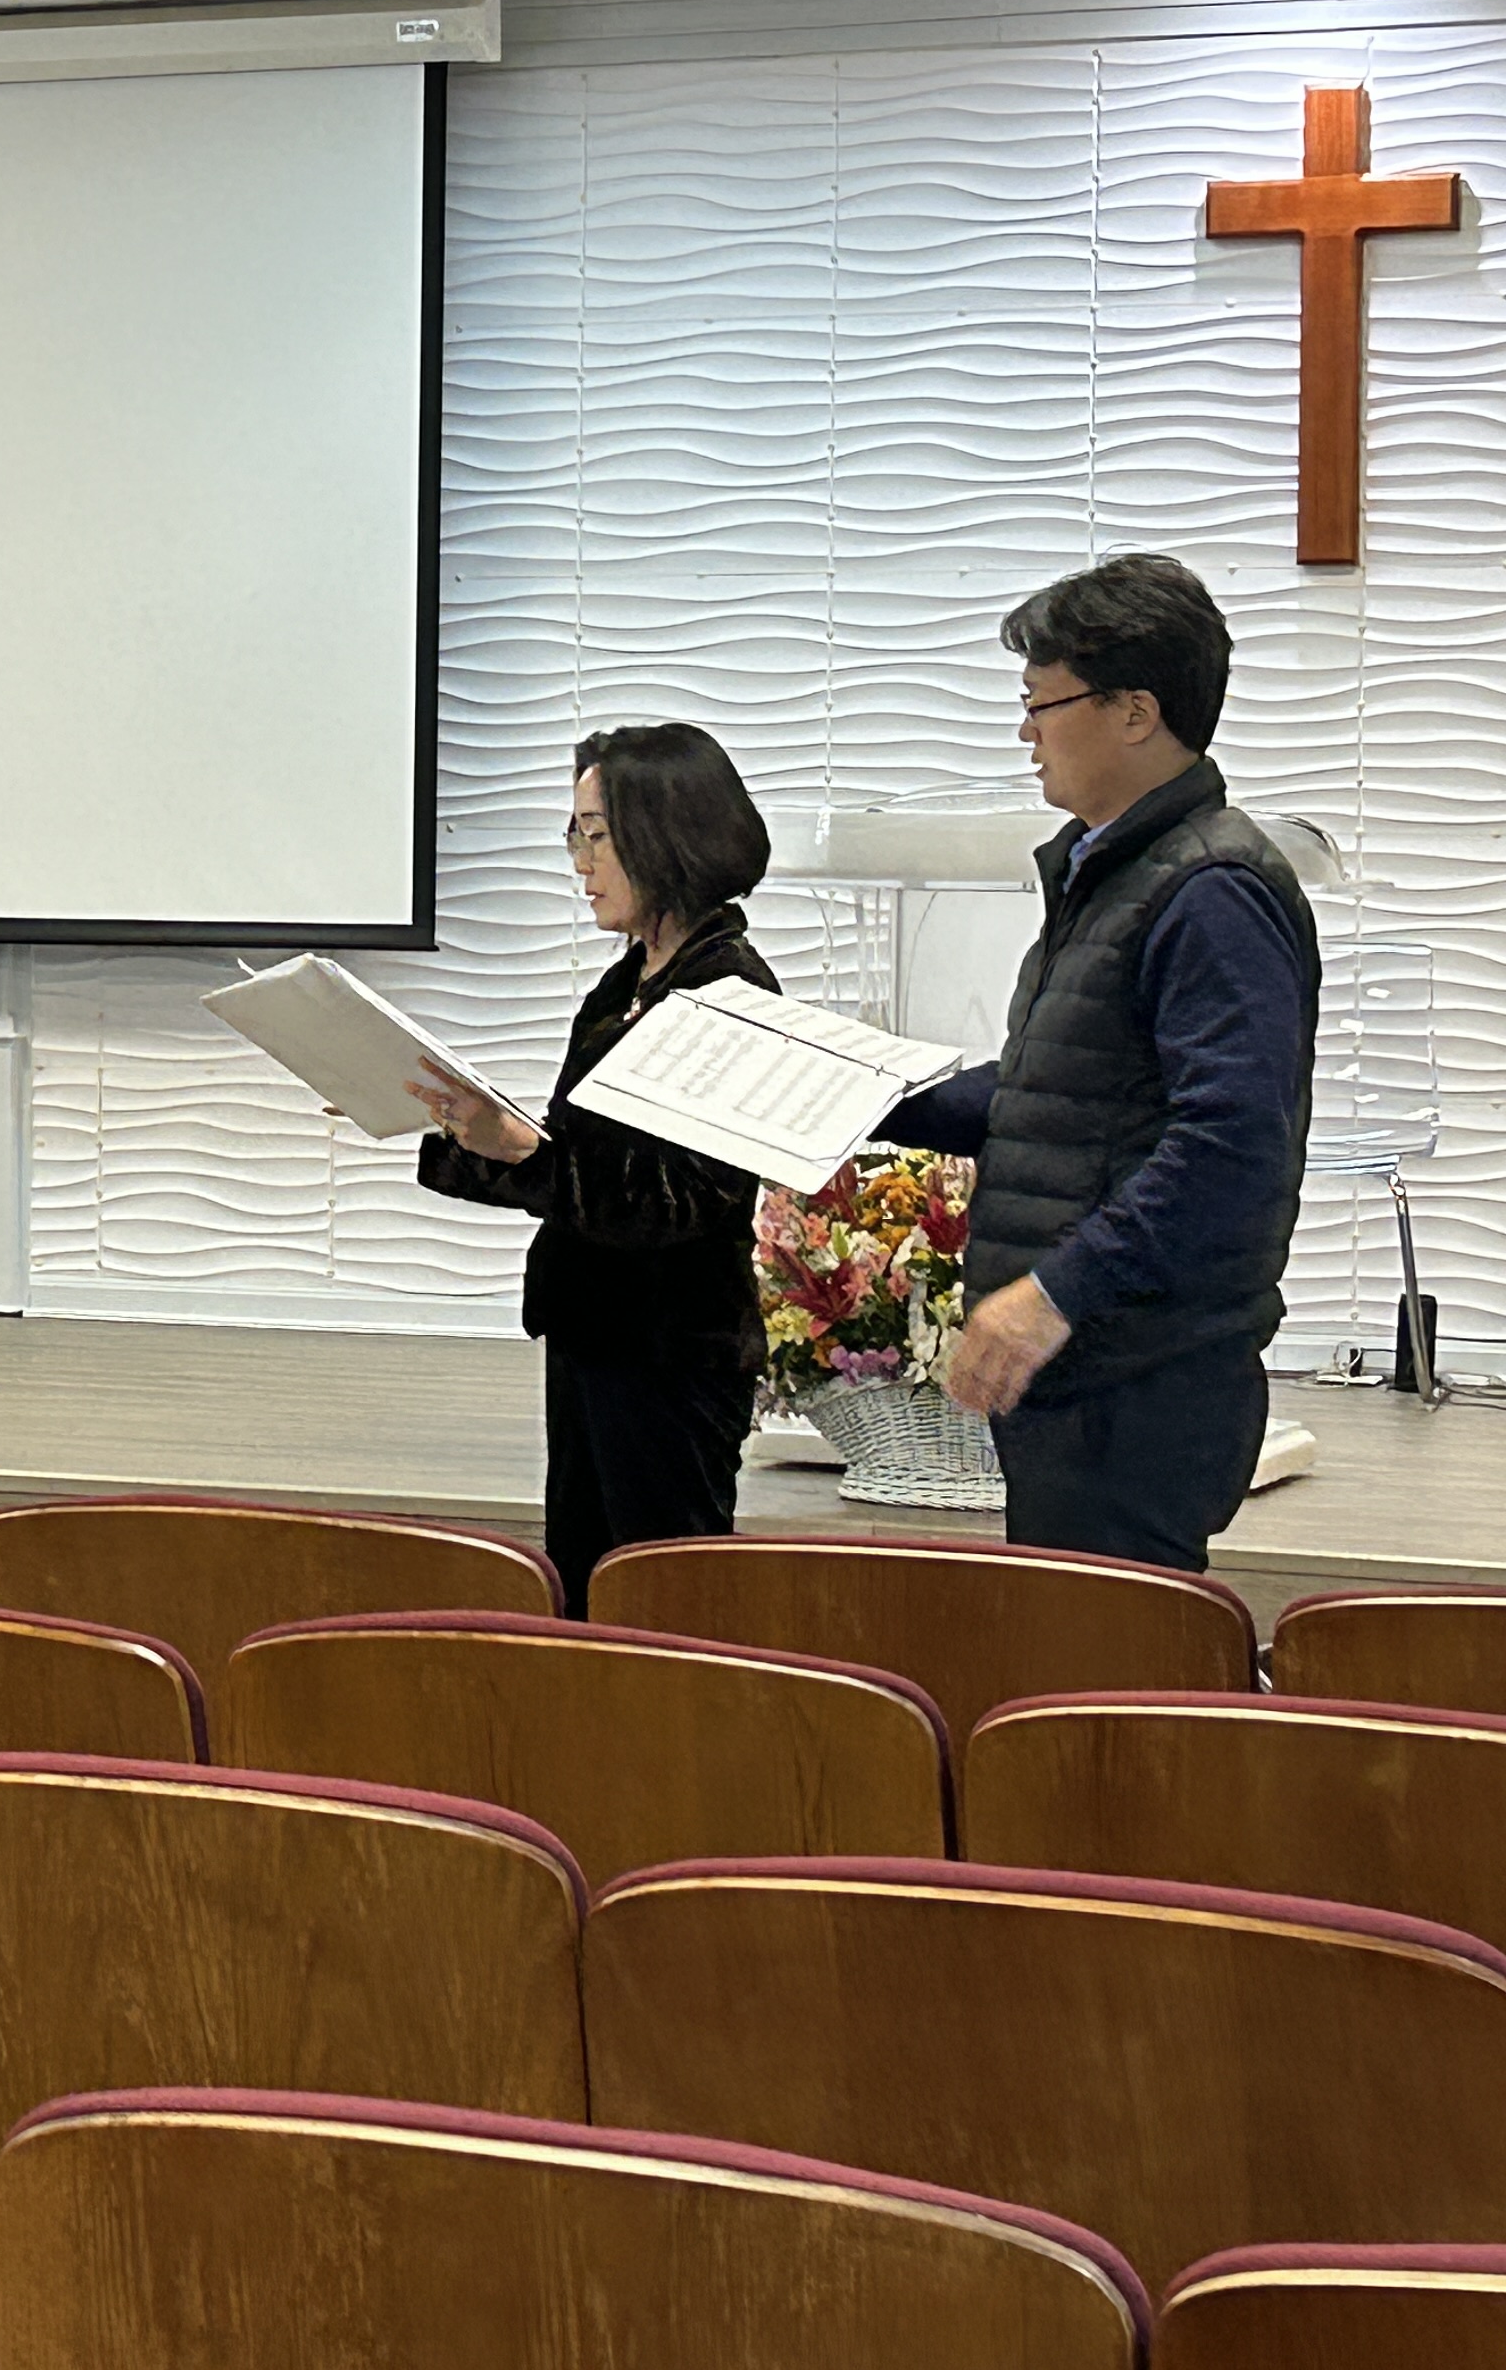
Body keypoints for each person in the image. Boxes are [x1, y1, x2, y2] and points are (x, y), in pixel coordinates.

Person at [875, 554, 1318, 1571]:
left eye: (1042, 703)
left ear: (1134, 713)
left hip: (1138, 1378)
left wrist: (1055, 1292)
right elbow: (1060, 1099)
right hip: (1085, 1381)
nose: (1025, 731)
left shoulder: (1210, 889)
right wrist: (865, 1096)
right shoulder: (1117, 873)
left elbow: (1230, 1147)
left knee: (1108, 1664)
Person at [410, 725, 780, 1617]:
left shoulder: (727, 992)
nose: (579, 861)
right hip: (596, 1334)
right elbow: (579, 1168)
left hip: (669, 1353)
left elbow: (682, 1200)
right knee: (579, 1591)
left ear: (666, 835)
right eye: (572, 834)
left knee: (658, 1605)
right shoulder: (629, 983)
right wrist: (459, 1131)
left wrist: (524, 1151)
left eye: (597, 835)